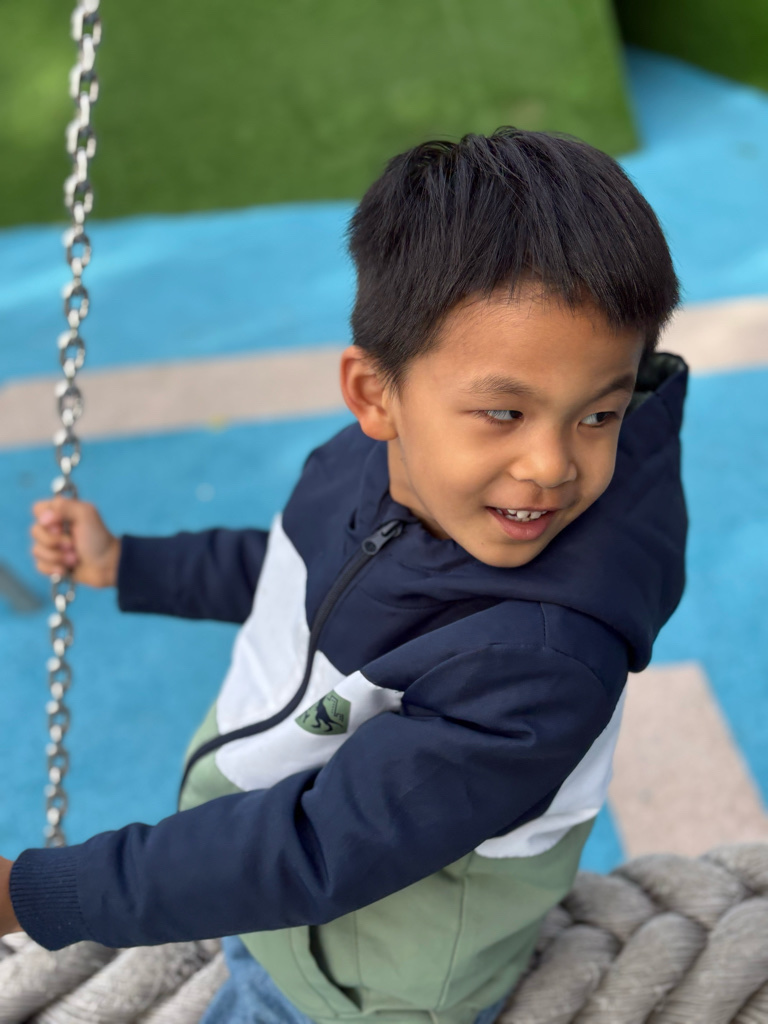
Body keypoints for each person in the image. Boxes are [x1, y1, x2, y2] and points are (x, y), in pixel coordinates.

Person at [2, 127, 687, 1024]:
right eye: (503, 413)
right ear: (376, 397)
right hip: (280, 896)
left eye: (599, 415)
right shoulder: (375, 468)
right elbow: (303, 566)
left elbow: (314, 850)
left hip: (360, 984)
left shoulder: (540, 659)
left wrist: (35, 894)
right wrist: (132, 564)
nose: (552, 465)